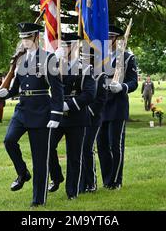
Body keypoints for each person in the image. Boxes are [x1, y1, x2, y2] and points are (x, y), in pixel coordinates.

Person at [0, 23, 63, 208]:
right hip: (22, 109)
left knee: (40, 158)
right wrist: (6, 93)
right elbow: (16, 87)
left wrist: (56, 115)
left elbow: (57, 90)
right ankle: (23, 173)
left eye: (27, 38)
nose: (24, 41)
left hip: (42, 111)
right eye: (22, 38)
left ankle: (38, 199)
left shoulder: (49, 58)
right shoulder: (21, 60)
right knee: (9, 141)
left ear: (36, 37)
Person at [48, 33, 96, 200]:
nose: (63, 48)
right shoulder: (54, 66)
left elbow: (90, 94)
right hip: (57, 116)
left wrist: (69, 104)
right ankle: (56, 176)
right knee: (47, 147)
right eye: (62, 46)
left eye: (67, 45)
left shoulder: (86, 68)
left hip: (77, 116)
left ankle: (72, 192)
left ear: (75, 47)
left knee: (74, 156)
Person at [97, 24, 138, 190]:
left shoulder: (127, 58)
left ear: (117, 39)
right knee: (102, 145)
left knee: (116, 144)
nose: (107, 41)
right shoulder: (100, 57)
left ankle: (116, 180)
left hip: (117, 106)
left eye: (111, 38)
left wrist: (123, 87)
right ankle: (107, 180)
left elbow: (134, 82)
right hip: (101, 106)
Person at [79, 48, 108, 193]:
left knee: (87, 148)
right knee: (78, 150)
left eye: (85, 57)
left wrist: (88, 111)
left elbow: (101, 99)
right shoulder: (80, 73)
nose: (83, 60)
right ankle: (81, 183)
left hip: (93, 118)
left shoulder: (100, 75)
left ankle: (91, 183)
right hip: (79, 117)